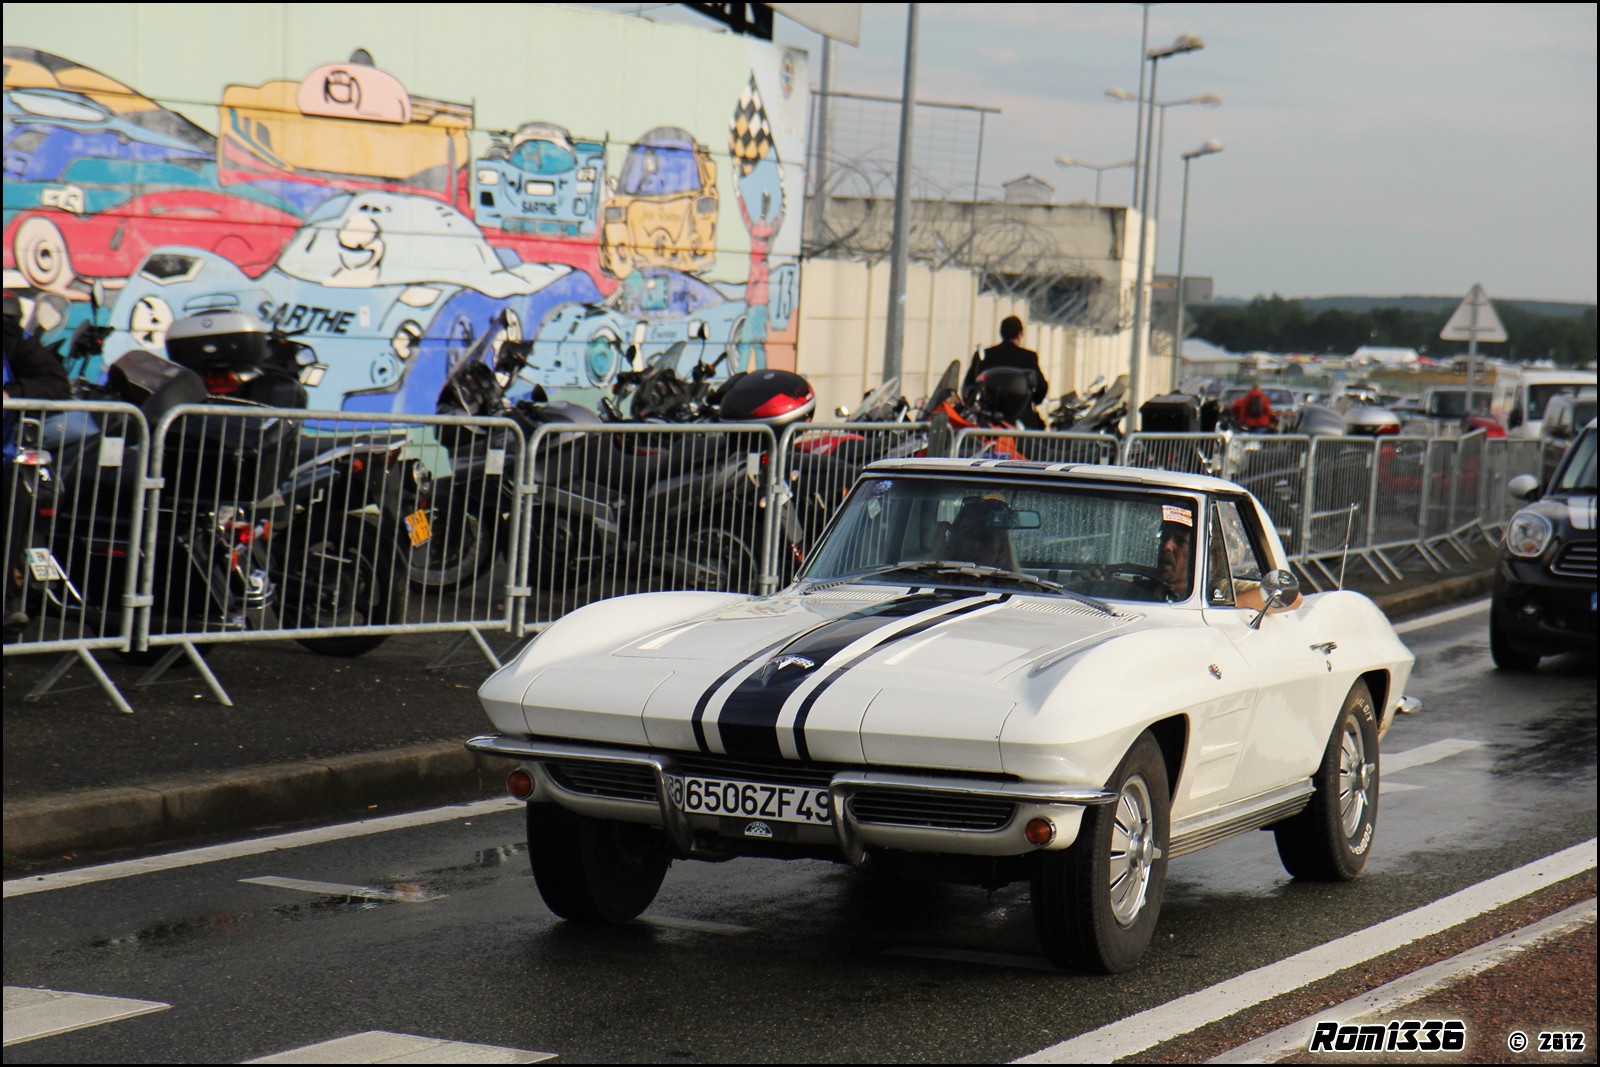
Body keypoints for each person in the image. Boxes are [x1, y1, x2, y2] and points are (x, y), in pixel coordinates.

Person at [964, 315, 1048, 429]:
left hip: (988, 420)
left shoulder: (985, 356)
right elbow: (1041, 388)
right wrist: (1032, 400)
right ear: (1019, 334)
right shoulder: (1029, 357)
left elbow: (970, 386)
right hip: (1022, 420)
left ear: (1001, 333)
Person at [940, 496, 1018, 570]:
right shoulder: (934, 580)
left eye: (986, 538)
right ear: (954, 541)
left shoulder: (1014, 583)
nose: (976, 545)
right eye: (968, 535)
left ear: (1002, 550)